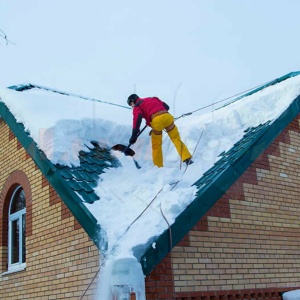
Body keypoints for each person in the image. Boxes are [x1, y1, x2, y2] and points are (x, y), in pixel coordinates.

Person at [127, 94, 193, 168]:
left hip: (157, 121)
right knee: (176, 139)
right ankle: (187, 158)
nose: (132, 106)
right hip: (167, 117)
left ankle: (158, 166)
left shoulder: (137, 107)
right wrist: (152, 112)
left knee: (156, 145)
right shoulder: (152, 98)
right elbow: (167, 107)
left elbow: (137, 120)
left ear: (133, 101)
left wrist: (134, 135)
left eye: (131, 104)